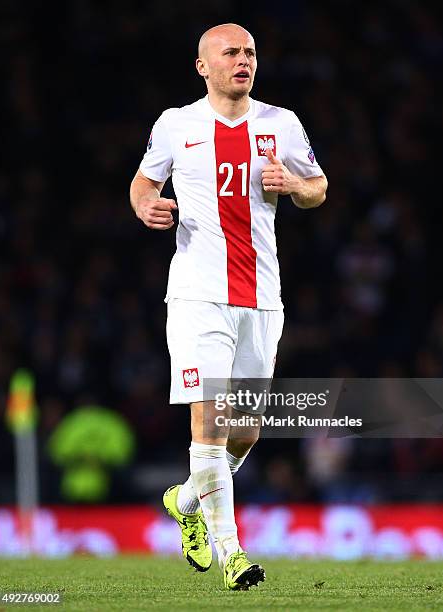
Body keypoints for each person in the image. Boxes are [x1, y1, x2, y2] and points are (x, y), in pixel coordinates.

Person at [130, 23, 327, 590]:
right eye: (231, 53)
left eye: (250, 53)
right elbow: (142, 185)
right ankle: (232, 556)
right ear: (203, 66)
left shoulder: (280, 124)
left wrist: (292, 184)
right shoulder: (175, 125)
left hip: (262, 296)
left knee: (244, 432)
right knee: (210, 420)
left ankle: (187, 499)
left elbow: (319, 188)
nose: (243, 61)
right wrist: (146, 207)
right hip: (197, 293)